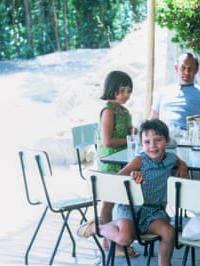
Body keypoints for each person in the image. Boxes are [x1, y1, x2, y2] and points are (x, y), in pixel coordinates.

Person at [77, 119, 189, 266]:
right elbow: (118, 180)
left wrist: (182, 165)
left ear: (167, 141)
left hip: (153, 211)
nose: (153, 146)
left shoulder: (171, 159)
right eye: (147, 142)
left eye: (158, 140)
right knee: (125, 239)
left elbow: (178, 161)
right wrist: (132, 177)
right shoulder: (140, 160)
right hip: (129, 208)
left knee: (169, 233)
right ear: (142, 144)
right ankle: (95, 227)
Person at [96, 70, 137, 256]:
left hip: (123, 161)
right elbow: (107, 141)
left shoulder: (124, 111)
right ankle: (107, 237)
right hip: (110, 163)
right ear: (112, 90)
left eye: (129, 91)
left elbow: (128, 132)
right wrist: (130, 138)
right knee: (109, 200)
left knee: (121, 199)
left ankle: (116, 236)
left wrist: (133, 132)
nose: (126, 95)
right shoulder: (108, 111)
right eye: (123, 90)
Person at [150, 52, 200, 129]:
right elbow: (152, 121)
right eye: (183, 68)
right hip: (164, 137)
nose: (187, 72)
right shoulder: (162, 92)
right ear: (176, 68)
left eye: (190, 68)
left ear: (196, 70)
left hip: (191, 138)